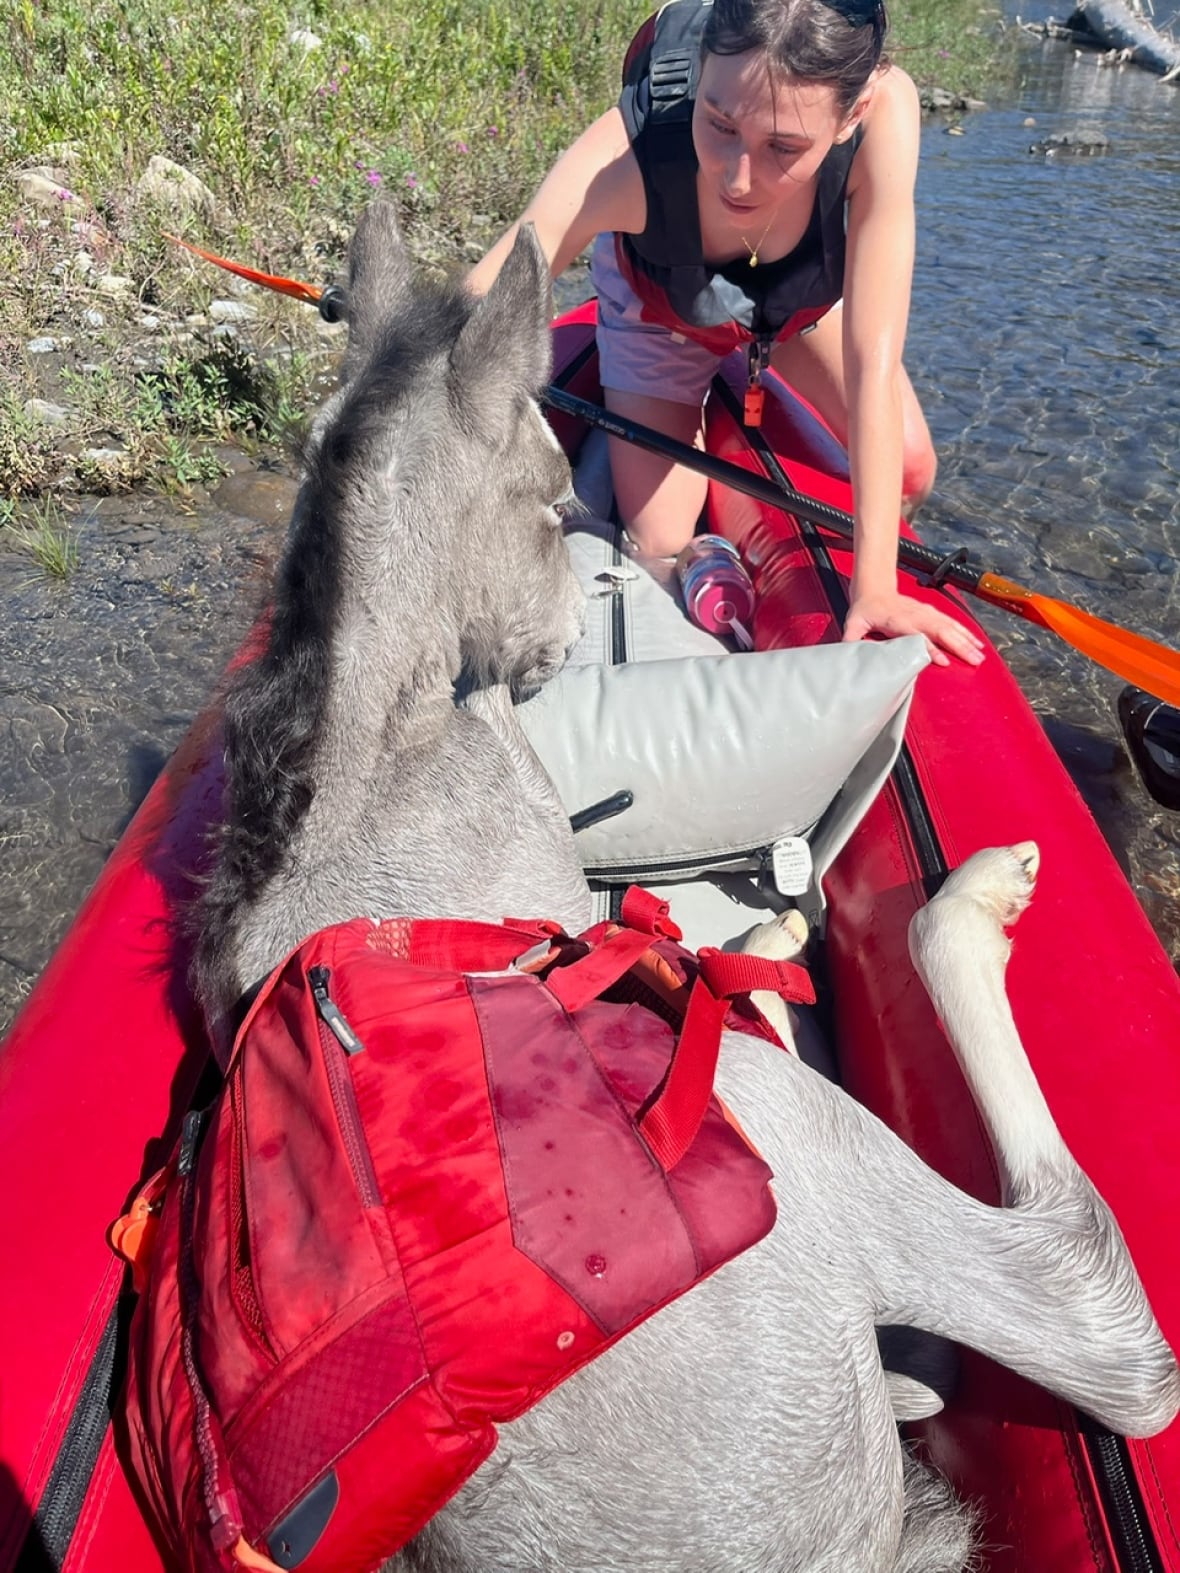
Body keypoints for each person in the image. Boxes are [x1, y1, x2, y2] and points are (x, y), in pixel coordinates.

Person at [469, 0, 984, 668]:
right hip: (662, 311)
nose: (738, 177)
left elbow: (873, 367)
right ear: (702, 66)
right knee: (660, 539)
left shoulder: (884, 112)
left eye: (783, 147)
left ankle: (735, 389)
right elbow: (478, 310)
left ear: (850, 116)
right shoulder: (627, 159)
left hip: (793, 308)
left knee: (912, 467)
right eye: (719, 124)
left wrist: (875, 585)